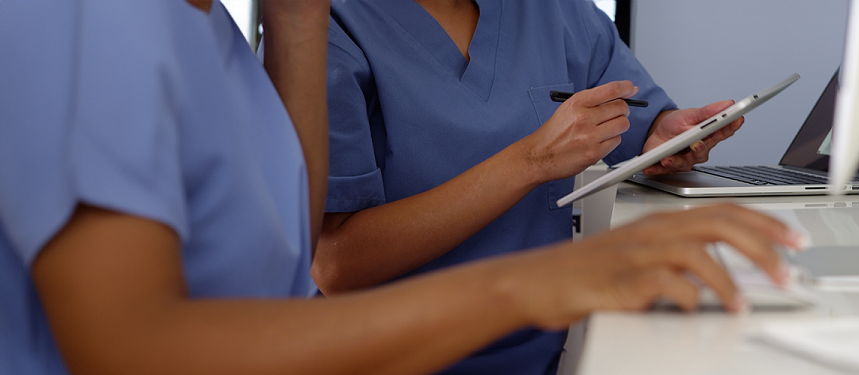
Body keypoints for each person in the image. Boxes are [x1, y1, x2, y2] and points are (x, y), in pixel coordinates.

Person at [0, 1, 801, 375]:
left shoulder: (213, 27)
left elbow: (282, 252)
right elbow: (132, 347)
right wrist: (533, 281)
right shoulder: (90, 15)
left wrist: (299, 20)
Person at [321, 1, 748, 372]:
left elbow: (637, 117)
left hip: (546, 347)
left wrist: (661, 135)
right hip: (395, 355)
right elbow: (336, 265)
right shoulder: (329, 26)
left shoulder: (555, 10)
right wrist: (532, 161)